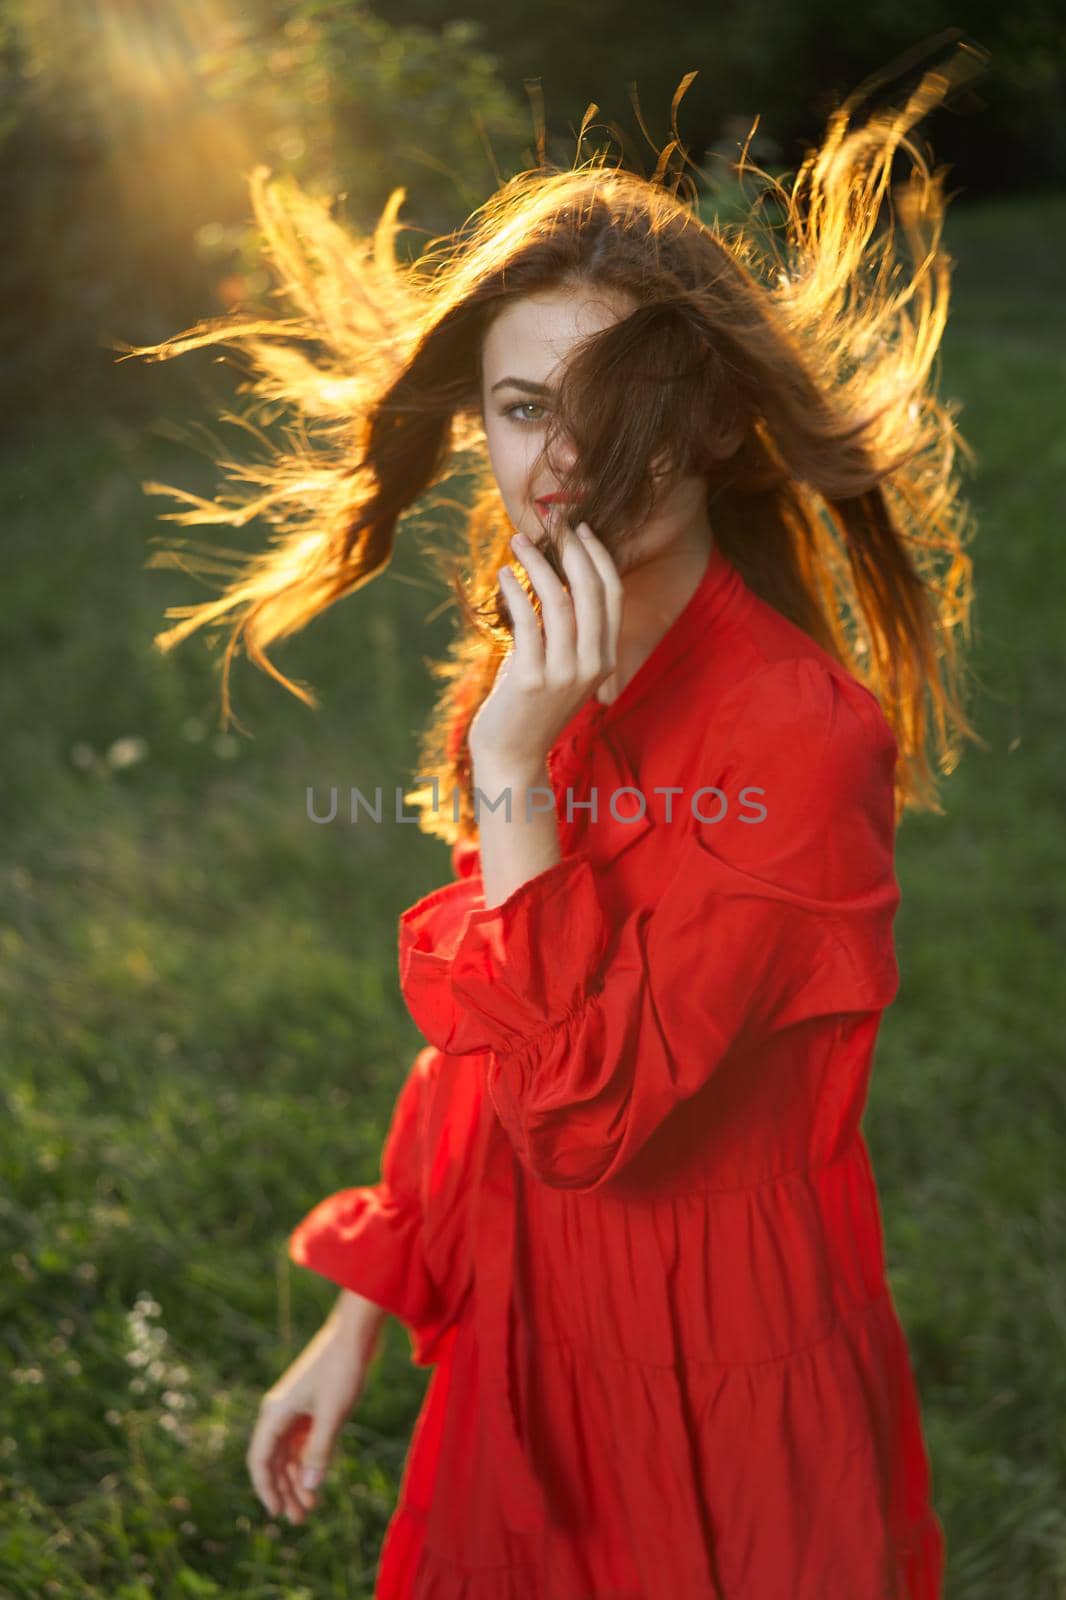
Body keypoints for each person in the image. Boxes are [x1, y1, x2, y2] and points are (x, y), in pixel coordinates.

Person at [123, 45, 985, 1600]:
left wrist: (516, 771)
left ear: (719, 423)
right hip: (531, 1333)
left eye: (617, 410)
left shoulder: (795, 740)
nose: (564, 467)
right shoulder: (533, 672)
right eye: (521, 408)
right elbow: (490, 1052)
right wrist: (359, 1317)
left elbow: (587, 1113)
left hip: (713, 1375)